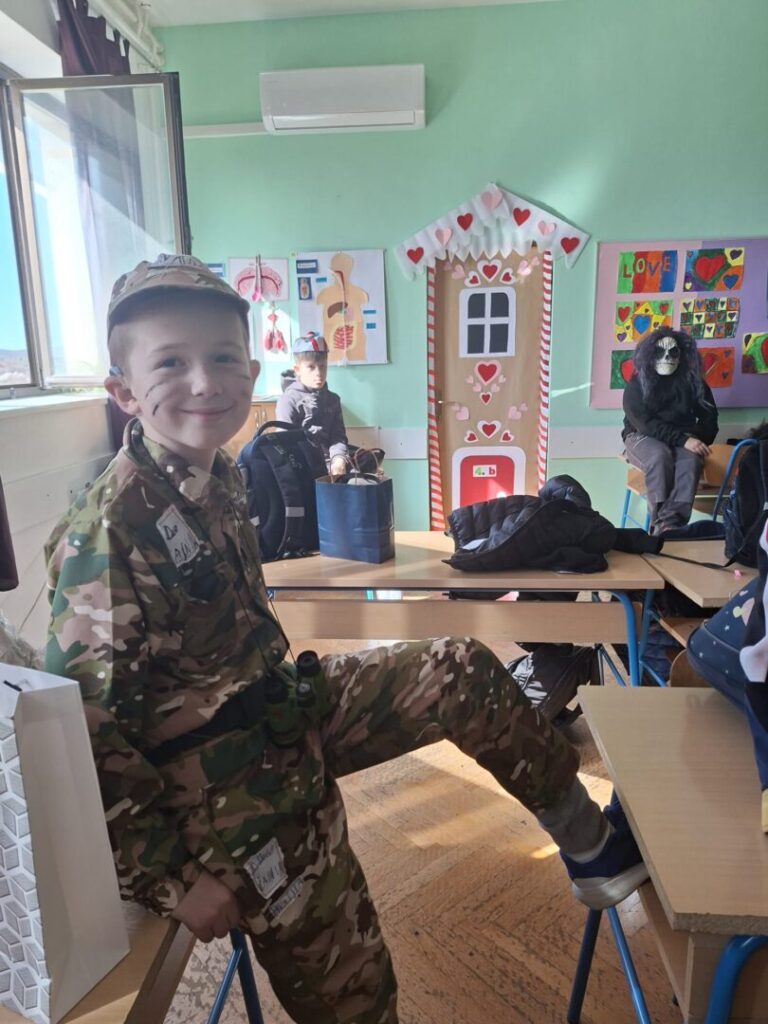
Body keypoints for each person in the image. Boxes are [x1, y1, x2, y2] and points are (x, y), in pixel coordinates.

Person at [45, 254, 648, 1024]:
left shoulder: (219, 476)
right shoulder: (108, 532)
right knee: (356, 994)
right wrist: (172, 881)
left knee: (459, 667)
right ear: (124, 391)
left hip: (281, 715)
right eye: (171, 362)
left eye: (224, 358)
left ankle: (592, 848)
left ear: (253, 372)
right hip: (221, 797)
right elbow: (85, 738)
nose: (205, 382)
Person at [622, 328, 718, 534]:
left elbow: (710, 418)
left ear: (681, 355)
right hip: (642, 435)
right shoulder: (637, 385)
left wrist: (696, 438)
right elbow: (645, 424)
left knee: (691, 461)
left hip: (680, 437)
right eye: (660, 352)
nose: (667, 358)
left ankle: (671, 524)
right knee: (659, 456)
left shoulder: (692, 382)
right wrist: (683, 440)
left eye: (673, 352)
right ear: (649, 355)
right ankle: (658, 521)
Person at [277, 332, 350, 478]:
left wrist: (339, 459)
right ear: (298, 370)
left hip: (331, 466)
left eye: (322, 366)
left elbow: (338, 437)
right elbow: (285, 444)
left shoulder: (333, 400)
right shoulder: (288, 401)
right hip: (302, 469)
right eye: (311, 367)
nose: (319, 373)